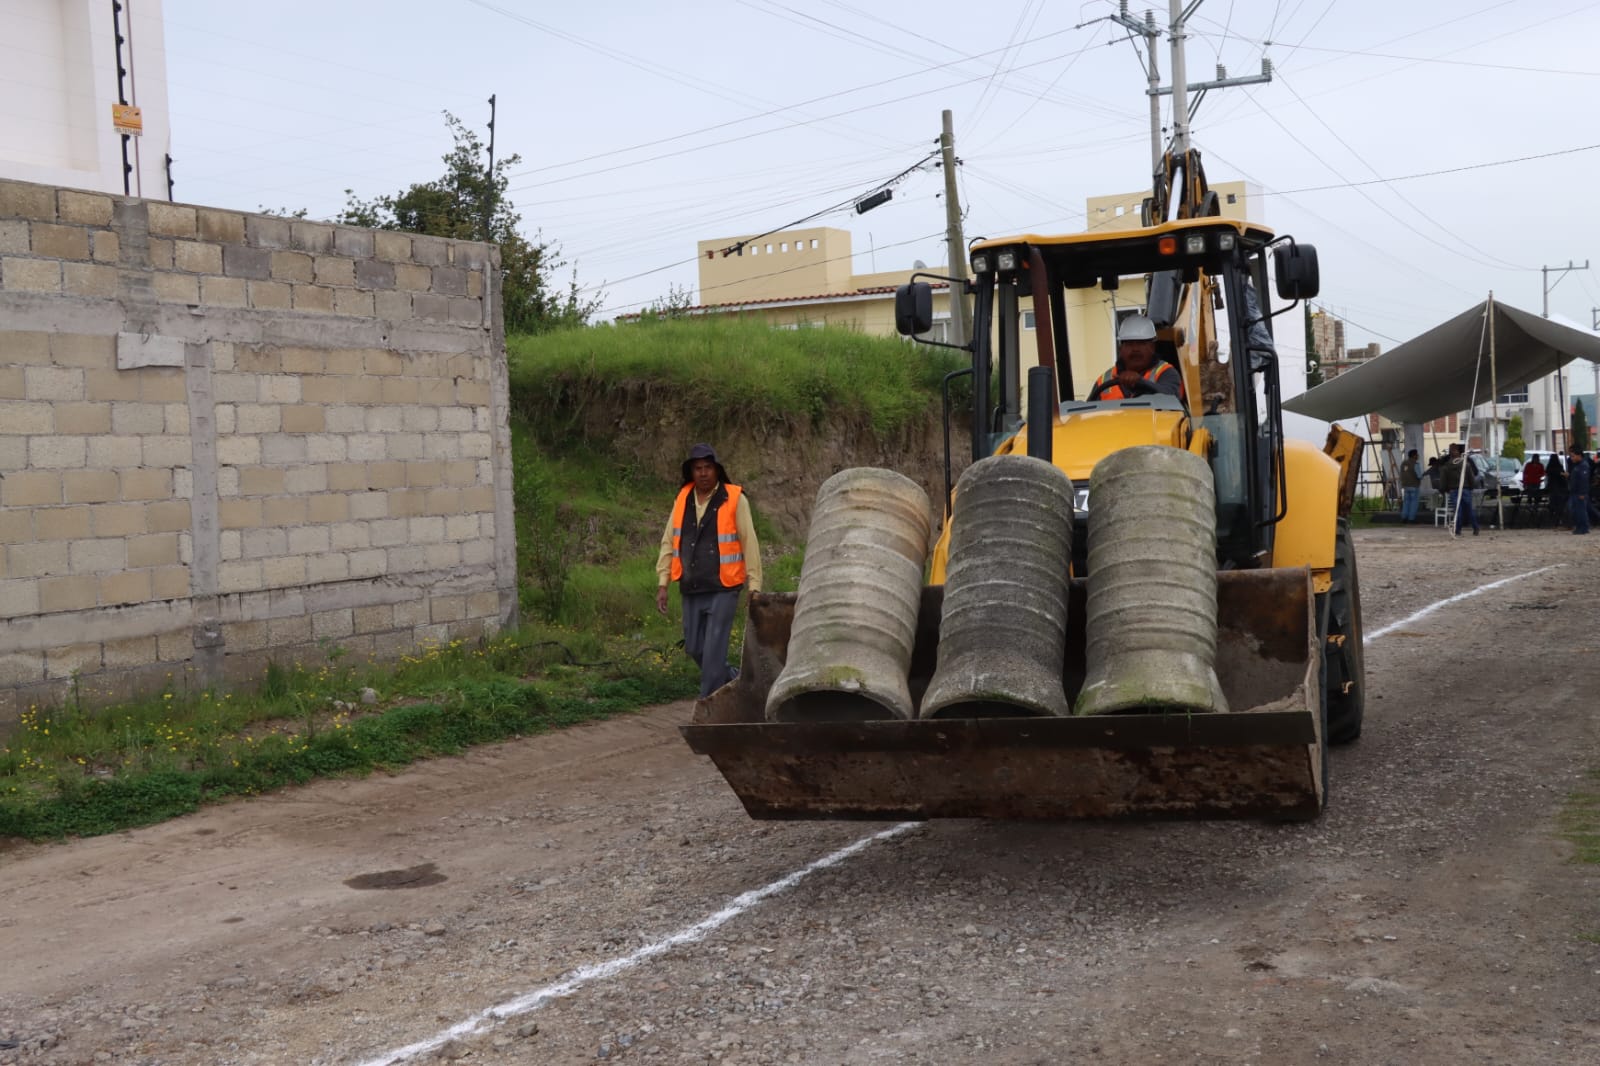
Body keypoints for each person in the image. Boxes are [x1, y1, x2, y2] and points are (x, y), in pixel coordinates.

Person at [655, 443, 764, 698]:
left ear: (716, 470)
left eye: (708, 468)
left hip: (724, 588)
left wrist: (754, 583)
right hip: (692, 586)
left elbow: (749, 541)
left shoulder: (735, 498)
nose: (703, 473)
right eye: (698, 468)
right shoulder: (683, 499)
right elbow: (669, 540)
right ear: (691, 472)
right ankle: (736, 679)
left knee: (714, 650)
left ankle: (706, 707)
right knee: (694, 647)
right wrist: (663, 582)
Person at [1086, 314, 1186, 404]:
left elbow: (1173, 399)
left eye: (1141, 343)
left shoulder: (1166, 373)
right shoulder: (1104, 380)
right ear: (1121, 349)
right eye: (1129, 344)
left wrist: (1141, 382)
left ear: (1153, 347)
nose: (1135, 349)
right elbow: (1088, 414)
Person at [1439, 443, 1480, 536]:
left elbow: (1443, 480)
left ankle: (1458, 529)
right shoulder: (1466, 464)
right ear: (1459, 452)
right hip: (1465, 489)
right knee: (1469, 509)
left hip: (1453, 490)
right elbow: (1471, 478)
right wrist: (1471, 487)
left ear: (1450, 453)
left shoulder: (1446, 466)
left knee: (1458, 510)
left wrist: (1444, 489)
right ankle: (1475, 528)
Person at [1565, 444, 1591, 535]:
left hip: (1580, 493)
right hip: (1574, 492)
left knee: (1581, 511)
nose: (1571, 458)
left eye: (1573, 456)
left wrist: (1582, 493)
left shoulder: (1583, 466)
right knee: (1575, 510)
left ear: (1579, 455)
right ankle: (1580, 527)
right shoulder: (1577, 466)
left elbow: (1583, 480)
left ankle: (1583, 528)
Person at [1398, 448, 1423, 523]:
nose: (1418, 456)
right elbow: (1419, 476)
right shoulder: (1415, 464)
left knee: (1406, 502)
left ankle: (1404, 517)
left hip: (1405, 485)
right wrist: (1422, 476)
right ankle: (1411, 519)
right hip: (1414, 485)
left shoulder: (1404, 463)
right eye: (1417, 454)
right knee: (1414, 503)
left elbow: (1403, 473)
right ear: (1414, 455)